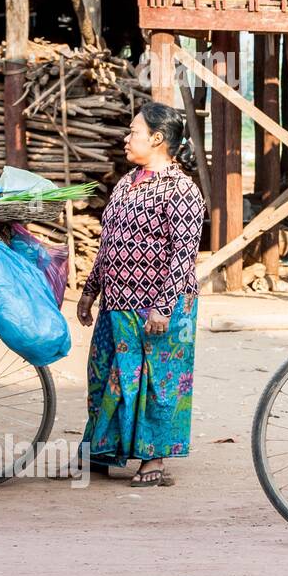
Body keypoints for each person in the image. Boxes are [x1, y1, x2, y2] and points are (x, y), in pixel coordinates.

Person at [76, 102, 206, 486]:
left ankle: (154, 461)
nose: (126, 138)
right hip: (116, 303)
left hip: (158, 306)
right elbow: (108, 242)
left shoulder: (182, 190)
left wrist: (163, 308)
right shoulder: (126, 182)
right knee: (105, 377)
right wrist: (89, 291)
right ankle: (101, 450)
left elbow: (183, 256)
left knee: (156, 382)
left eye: (133, 132)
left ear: (157, 139)